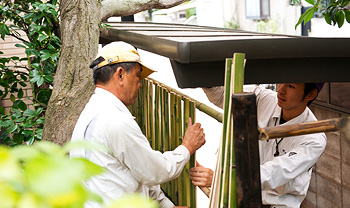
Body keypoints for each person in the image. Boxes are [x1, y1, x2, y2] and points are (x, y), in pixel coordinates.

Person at [70, 41, 206, 208]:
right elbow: (153, 171)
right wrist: (187, 147)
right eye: (137, 76)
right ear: (120, 75)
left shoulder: (92, 109)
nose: (140, 84)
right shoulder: (115, 120)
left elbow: (137, 172)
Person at [189, 83, 327, 208]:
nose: (281, 90)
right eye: (281, 81)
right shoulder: (265, 98)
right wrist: (206, 80)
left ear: (311, 94)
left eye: (291, 86)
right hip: (243, 198)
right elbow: (223, 95)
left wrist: (221, 180)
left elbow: (275, 172)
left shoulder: (314, 138)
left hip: (276, 205)